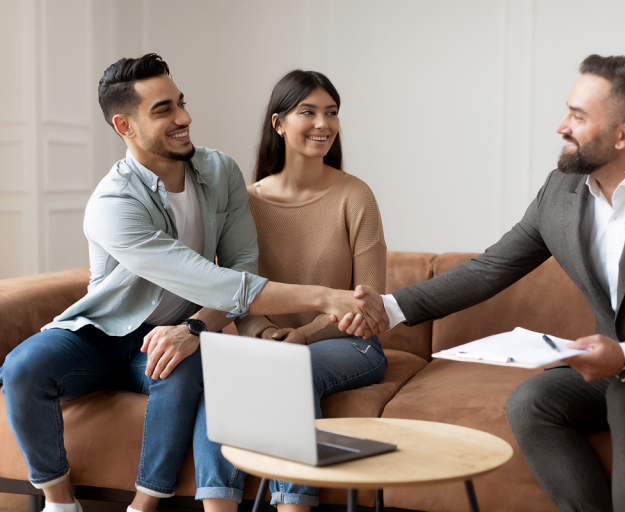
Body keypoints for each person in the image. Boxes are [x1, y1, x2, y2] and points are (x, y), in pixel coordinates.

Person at [344, 54, 625, 512]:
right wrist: (389, 308)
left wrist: (624, 356)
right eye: (568, 110)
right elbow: (491, 268)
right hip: (622, 372)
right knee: (533, 401)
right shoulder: (561, 192)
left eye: (578, 117)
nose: (561, 126)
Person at [0, 54, 377, 512]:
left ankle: (144, 505)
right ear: (125, 126)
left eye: (181, 103)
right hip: (103, 332)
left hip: (179, 331)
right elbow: (217, 282)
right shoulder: (113, 203)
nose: (184, 118)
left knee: (189, 371)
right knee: (21, 368)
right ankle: (60, 502)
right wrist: (324, 299)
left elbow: (240, 267)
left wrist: (195, 327)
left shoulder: (221, 172)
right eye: (164, 110)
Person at [192, 70, 388, 512]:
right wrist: (265, 334)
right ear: (279, 123)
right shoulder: (246, 202)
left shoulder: (355, 195)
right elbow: (238, 292)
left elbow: (369, 299)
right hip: (269, 345)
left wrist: (305, 335)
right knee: (223, 385)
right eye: (308, 112)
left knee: (289, 372)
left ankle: (293, 506)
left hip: (351, 343)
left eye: (331, 113)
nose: (323, 123)